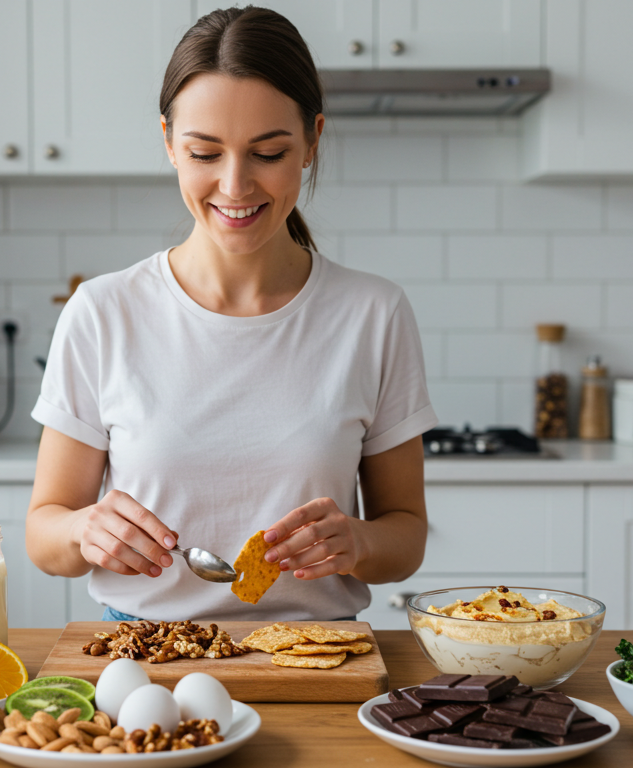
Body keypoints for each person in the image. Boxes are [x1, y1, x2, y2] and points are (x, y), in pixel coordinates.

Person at [25, 5, 435, 622]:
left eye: (268, 153)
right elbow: (44, 536)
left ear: (312, 141)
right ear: (168, 142)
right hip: (146, 657)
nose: (236, 186)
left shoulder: (373, 313)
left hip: (318, 655)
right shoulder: (103, 312)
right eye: (205, 153)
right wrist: (85, 530)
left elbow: (405, 535)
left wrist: (361, 541)